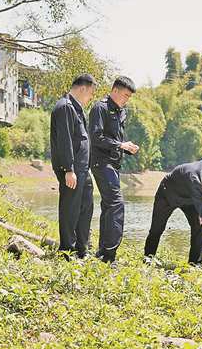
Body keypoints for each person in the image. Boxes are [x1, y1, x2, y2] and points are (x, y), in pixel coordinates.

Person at [144, 158, 202, 267]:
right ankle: (148, 258)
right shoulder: (195, 178)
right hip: (168, 194)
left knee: (199, 226)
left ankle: (195, 265)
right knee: (157, 228)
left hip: (190, 199)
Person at [89, 76, 139, 264]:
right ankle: (110, 255)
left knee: (109, 207)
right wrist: (121, 145)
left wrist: (128, 148)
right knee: (117, 205)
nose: (126, 99)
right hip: (101, 162)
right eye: (125, 95)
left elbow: (116, 139)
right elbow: (96, 138)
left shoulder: (121, 111)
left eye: (129, 97)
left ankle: (103, 253)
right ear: (115, 90)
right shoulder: (100, 108)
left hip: (114, 164)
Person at [50, 74, 97, 259]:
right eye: (91, 93)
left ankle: (81, 249)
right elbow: (65, 140)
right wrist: (69, 169)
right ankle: (67, 251)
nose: (91, 97)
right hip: (72, 169)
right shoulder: (65, 107)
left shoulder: (76, 108)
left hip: (82, 169)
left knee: (86, 207)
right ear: (83, 88)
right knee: (70, 209)